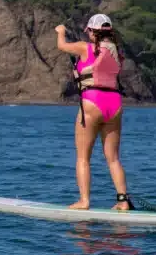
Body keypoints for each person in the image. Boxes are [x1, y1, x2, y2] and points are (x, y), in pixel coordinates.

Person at [54, 14, 131, 211]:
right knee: (113, 158)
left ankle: (84, 201)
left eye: (88, 30)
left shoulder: (83, 47)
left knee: (82, 157)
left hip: (92, 103)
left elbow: (62, 46)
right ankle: (123, 201)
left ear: (92, 31)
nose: (86, 33)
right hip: (115, 105)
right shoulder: (116, 53)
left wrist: (60, 32)